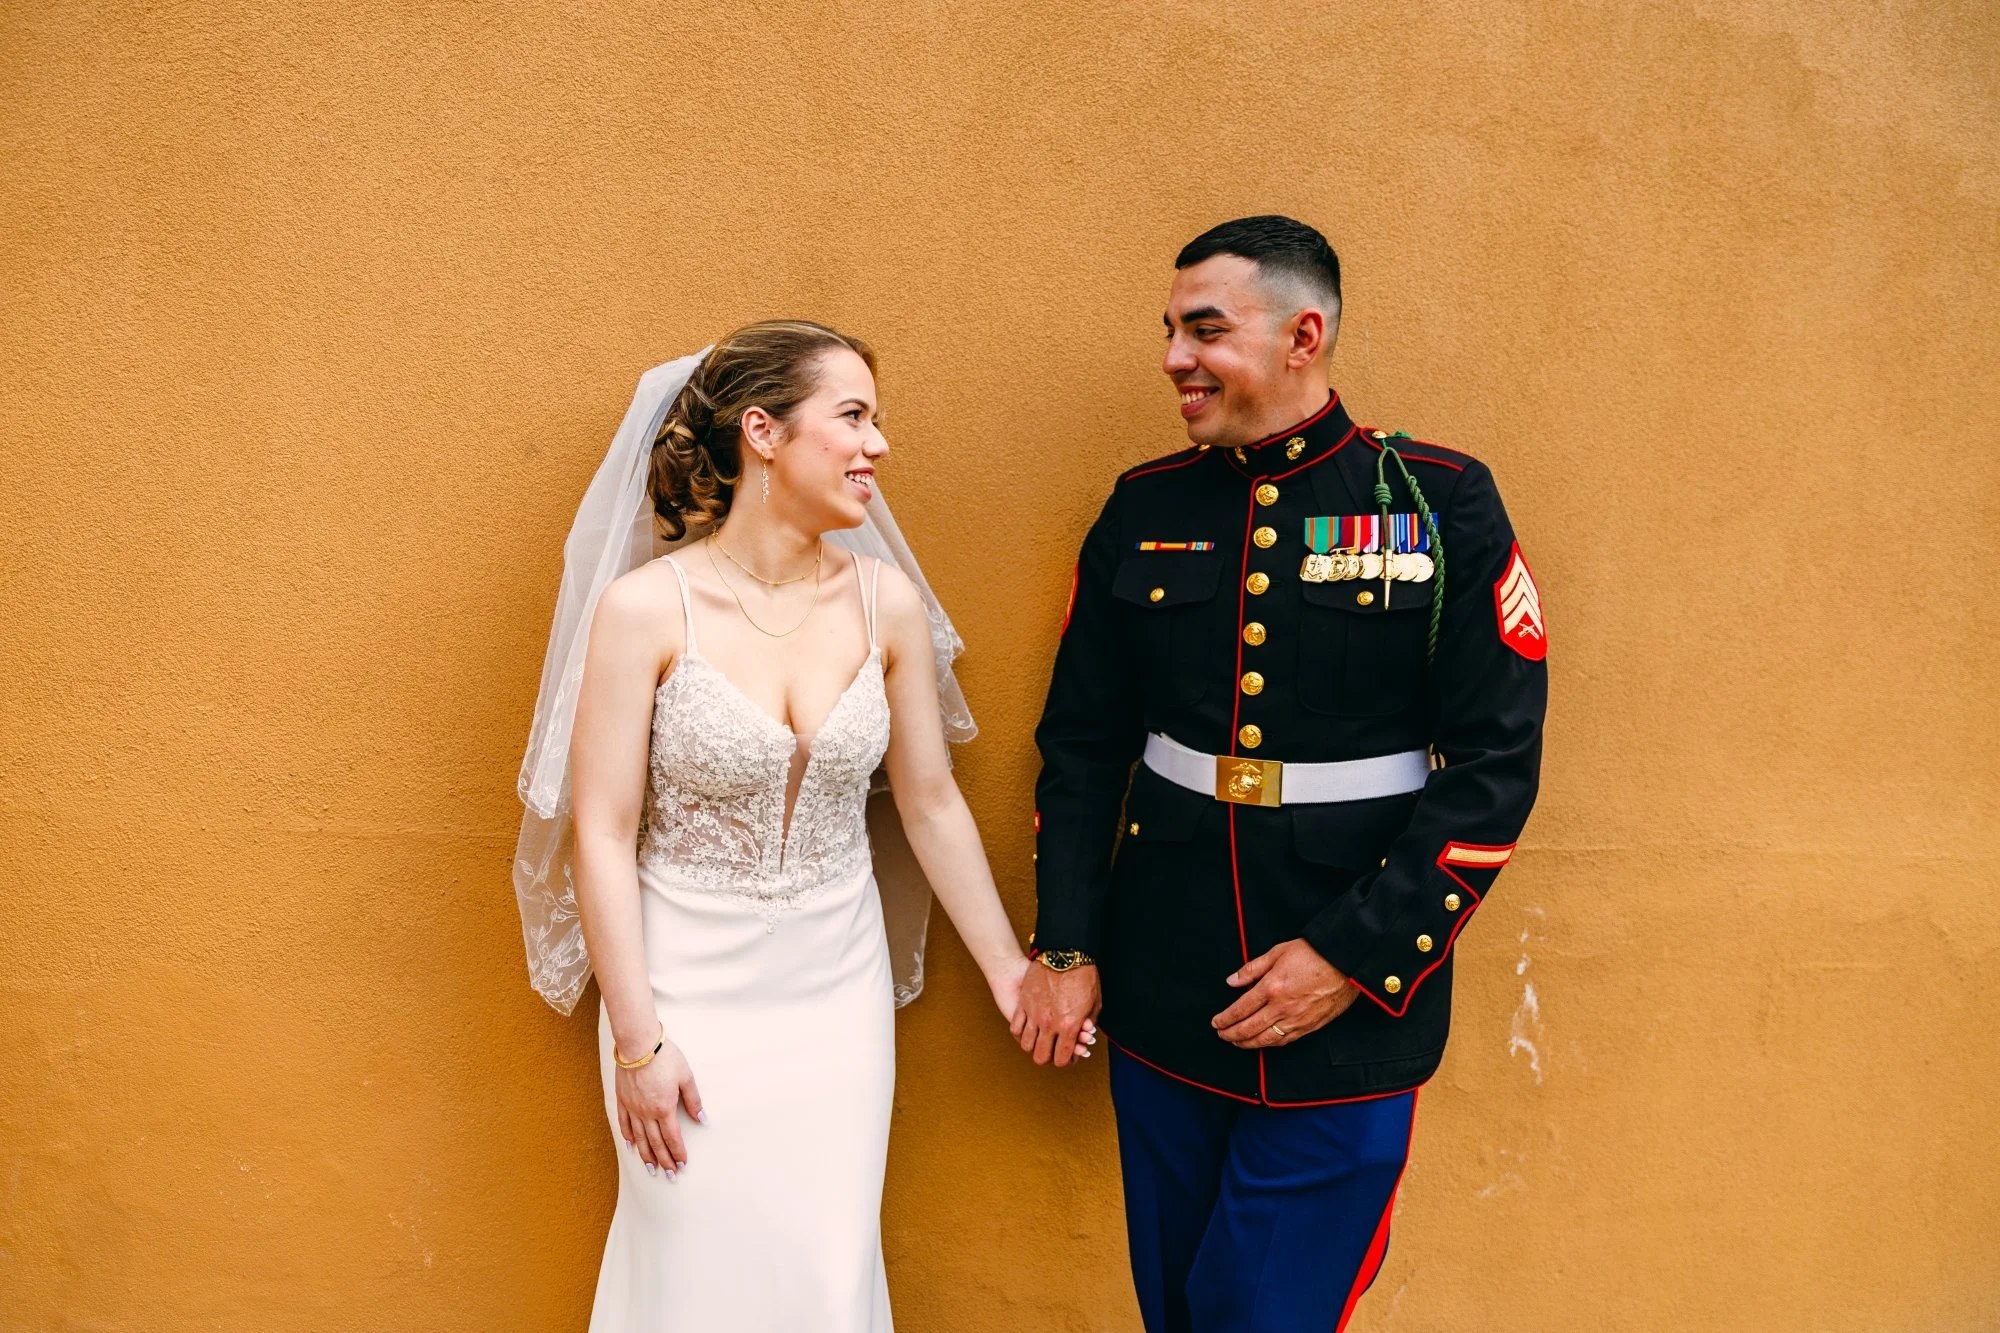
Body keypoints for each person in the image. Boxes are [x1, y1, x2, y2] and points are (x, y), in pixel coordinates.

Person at [1015, 216, 1548, 1331]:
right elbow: (1079, 749)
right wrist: (1065, 946)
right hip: (1163, 982)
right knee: (1176, 1303)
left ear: (1302, 334)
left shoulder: (1436, 504)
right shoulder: (1144, 505)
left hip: (1347, 1008)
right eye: (1168, 330)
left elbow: (1492, 765)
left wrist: (1352, 960)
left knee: (1264, 1312)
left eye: (1203, 329)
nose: (1172, 357)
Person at [512, 320, 1092, 1332]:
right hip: (682, 992)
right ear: (762, 433)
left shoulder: (885, 604)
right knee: (689, 1270)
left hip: (835, 994)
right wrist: (638, 1047)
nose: (879, 446)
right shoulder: (647, 610)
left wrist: (1013, 975)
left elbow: (929, 802)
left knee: (825, 1275)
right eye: (853, 416)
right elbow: (602, 833)